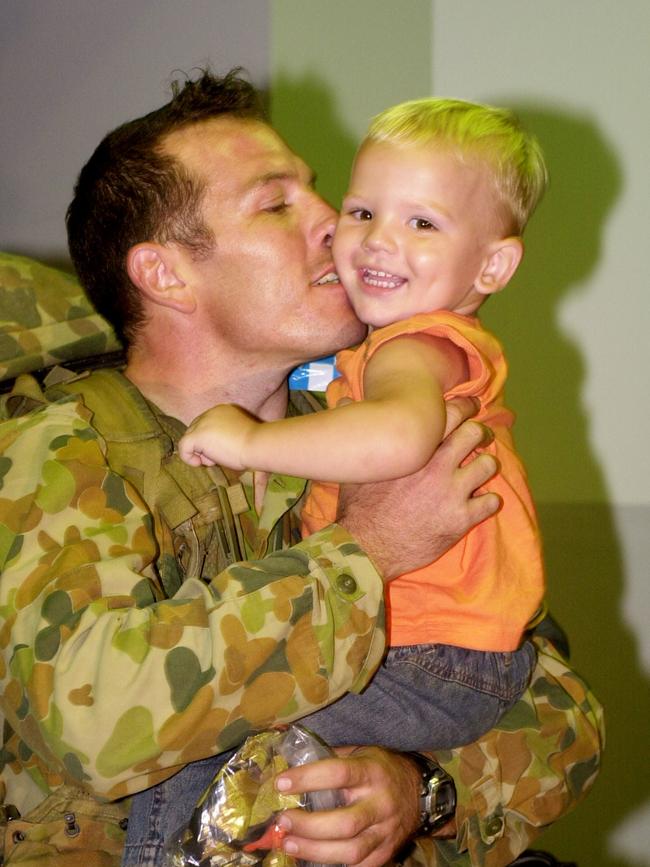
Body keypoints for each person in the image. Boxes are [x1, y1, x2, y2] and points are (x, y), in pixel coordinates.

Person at [0, 70, 603, 867]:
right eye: (277, 204)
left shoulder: (370, 434)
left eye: (323, 196)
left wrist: (420, 788)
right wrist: (367, 553)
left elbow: (560, 706)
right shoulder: (62, 447)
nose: (335, 224)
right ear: (165, 274)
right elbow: (99, 720)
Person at [178, 97, 547, 754]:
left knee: (212, 740)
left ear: (492, 266)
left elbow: (397, 437)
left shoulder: (415, 346)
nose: (380, 239)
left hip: (424, 650)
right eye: (363, 212)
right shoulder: (404, 348)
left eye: (423, 223)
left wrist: (253, 440)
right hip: (444, 648)